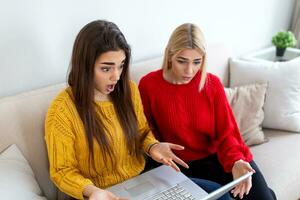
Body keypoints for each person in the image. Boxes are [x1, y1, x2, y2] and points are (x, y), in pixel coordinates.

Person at [44, 20, 229, 200]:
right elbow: (62, 171)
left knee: (219, 195)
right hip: (102, 194)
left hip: (143, 180)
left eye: (121, 65)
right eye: (106, 68)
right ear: (85, 66)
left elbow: (141, 132)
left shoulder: (129, 90)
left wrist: (153, 146)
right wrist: (92, 191)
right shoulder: (62, 111)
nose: (116, 76)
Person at [138, 23, 277, 200]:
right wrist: (154, 149)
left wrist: (236, 161)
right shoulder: (149, 86)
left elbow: (227, 134)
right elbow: (144, 132)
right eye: (182, 61)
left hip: (221, 157)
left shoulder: (212, 84)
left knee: (263, 198)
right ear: (170, 55)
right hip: (181, 166)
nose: (190, 71)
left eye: (197, 62)